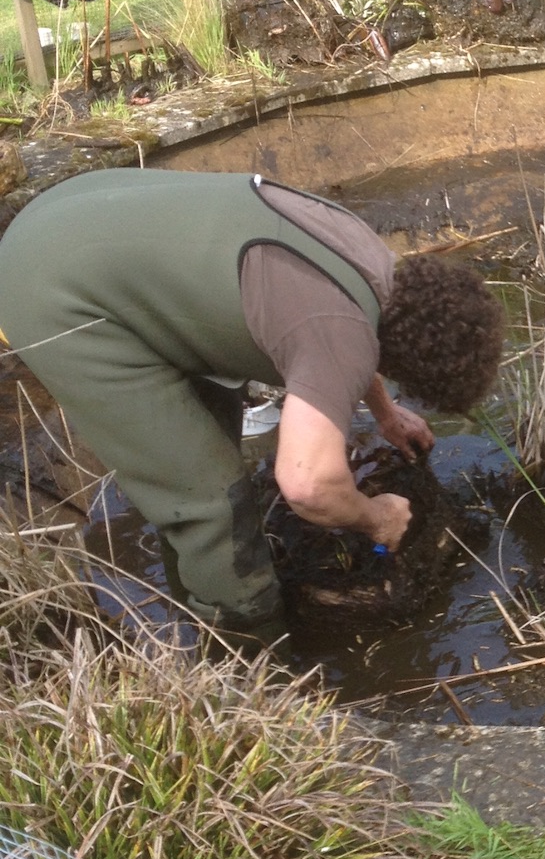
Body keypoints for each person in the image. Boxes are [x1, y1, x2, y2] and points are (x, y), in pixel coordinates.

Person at [0, 167, 504, 640]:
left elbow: (348, 333)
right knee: (212, 506)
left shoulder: (373, 261)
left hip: (78, 211)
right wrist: (376, 518)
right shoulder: (341, 336)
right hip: (54, 288)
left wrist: (385, 413)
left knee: (203, 456)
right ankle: (245, 666)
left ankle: (196, 602)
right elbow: (306, 485)